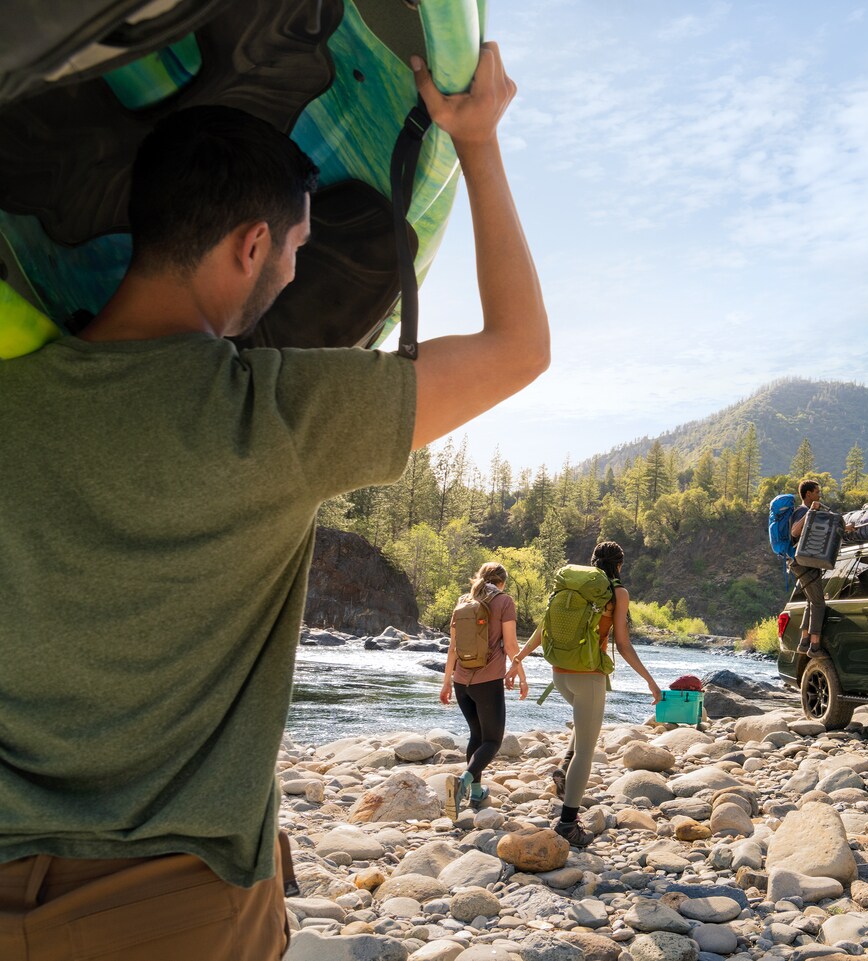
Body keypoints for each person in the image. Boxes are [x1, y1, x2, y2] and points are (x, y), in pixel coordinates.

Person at [0, 45, 546, 960]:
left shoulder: (11, 403)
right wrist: (479, 142)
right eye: (295, 249)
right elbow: (519, 346)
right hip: (172, 910)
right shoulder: (276, 412)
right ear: (251, 244)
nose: (294, 274)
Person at [506, 541, 663, 848]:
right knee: (586, 751)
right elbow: (623, 644)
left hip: (560, 674)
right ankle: (568, 824)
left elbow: (543, 627)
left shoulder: (572, 588)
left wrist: (519, 658)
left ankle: (564, 770)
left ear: (593, 562)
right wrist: (650, 681)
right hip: (588, 677)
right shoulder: (617, 593)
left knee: (583, 726)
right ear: (619, 565)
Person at [439, 562, 527, 817]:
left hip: (461, 682)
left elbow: (453, 647)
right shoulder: (504, 601)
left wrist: (446, 682)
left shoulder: (463, 601)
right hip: (488, 682)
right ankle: (463, 782)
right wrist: (521, 676)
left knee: (476, 736)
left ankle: (476, 793)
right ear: (502, 582)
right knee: (492, 740)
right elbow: (511, 646)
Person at [790, 479, 829, 655]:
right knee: (819, 603)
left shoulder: (807, 511)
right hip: (803, 563)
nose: (819, 495)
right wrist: (811, 511)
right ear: (808, 494)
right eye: (817, 492)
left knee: (811, 601)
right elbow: (794, 531)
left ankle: (804, 642)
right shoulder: (802, 510)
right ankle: (815, 646)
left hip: (804, 562)